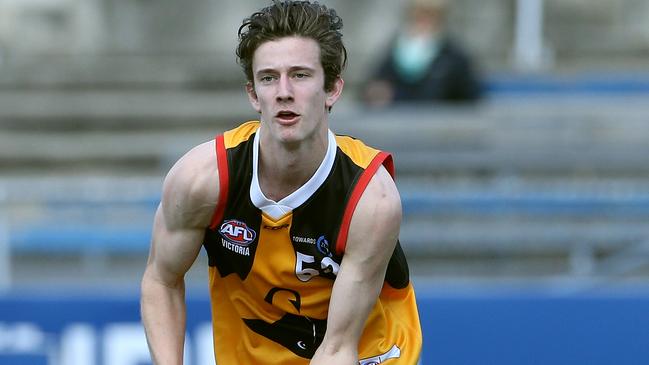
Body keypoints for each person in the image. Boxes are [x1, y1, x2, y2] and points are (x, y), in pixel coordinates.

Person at [140, 1, 422, 364]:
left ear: (333, 89)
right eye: (269, 77)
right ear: (254, 95)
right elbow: (160, 281)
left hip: (365, 351)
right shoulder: (201, 180)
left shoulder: (371, 198)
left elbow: (338, 349)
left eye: (301, 75)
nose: (283, 91)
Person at [363, 0, 482, 107]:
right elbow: (371, 86)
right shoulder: (394, 50)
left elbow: (471, 99)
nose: (424, 21)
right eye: (419, 15)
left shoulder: (454, 56)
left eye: (431, 15)